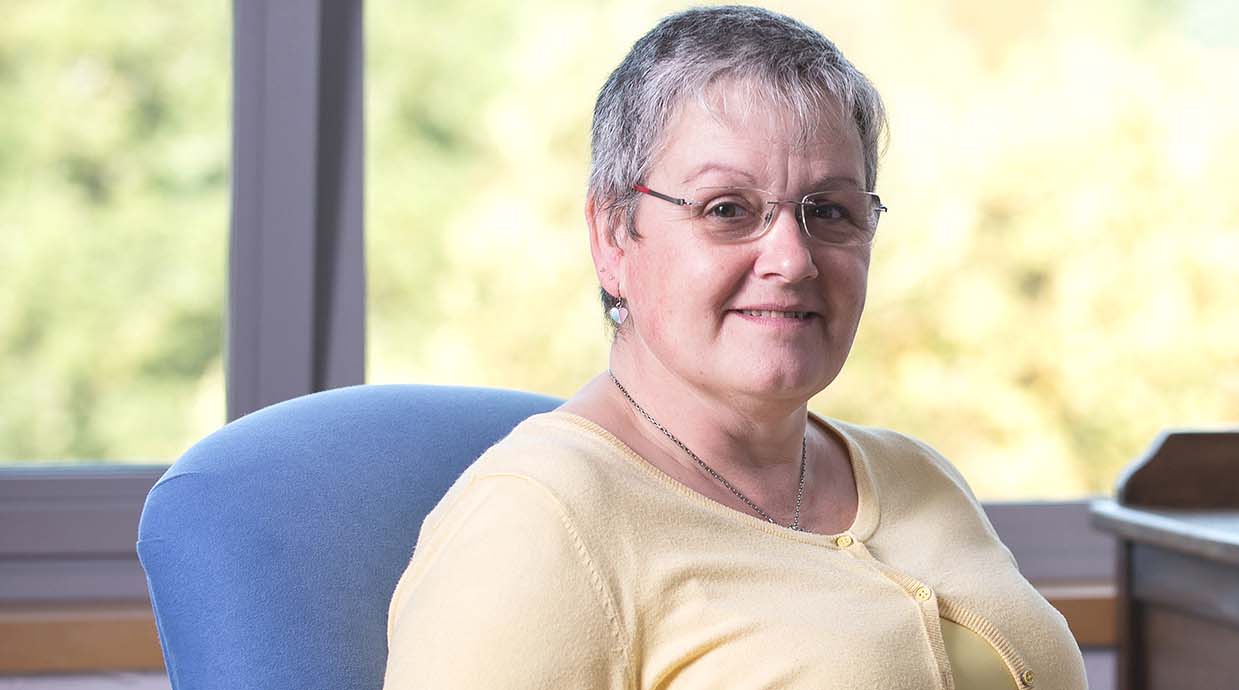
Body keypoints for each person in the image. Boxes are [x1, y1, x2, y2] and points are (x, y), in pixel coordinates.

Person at [381, 6, 1088, 689]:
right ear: (612, 236)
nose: (793, 259)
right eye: (727, 209)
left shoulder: (919, 477)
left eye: (831, 211)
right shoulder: (533, 524)